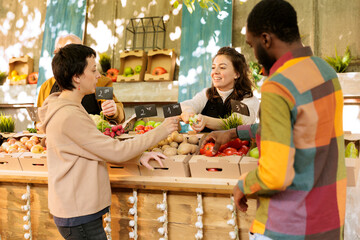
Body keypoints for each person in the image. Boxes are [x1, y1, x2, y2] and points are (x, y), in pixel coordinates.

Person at [201, 0, 346, 239]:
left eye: (252, 44)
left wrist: (243, 184)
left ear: (266, 40)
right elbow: (300, 127)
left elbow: (275, 174)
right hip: (328, 222)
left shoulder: (278, 85)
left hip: (287, 227)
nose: (253, 53)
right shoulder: (325, 72)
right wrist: (235, 133)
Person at [37, 43, 179, 240]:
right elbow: (115, 151)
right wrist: (162, 130)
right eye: (93, 70)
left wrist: (138, 155)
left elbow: (94, 148)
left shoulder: (67, 107)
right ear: (76, 77)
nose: (98, 76)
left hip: (77, 209)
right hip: (79, 214)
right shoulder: (68, 115)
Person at [37, 34, 125, 124]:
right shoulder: (46, 87)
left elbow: (114, 109)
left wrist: (113, 111)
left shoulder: (100, 82)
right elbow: (39, 119)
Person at [180, 46, 259, 132]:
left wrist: (206, 121)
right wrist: (188, 110)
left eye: (222, 67)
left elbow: (236, 123)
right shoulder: (207, 93)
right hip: (207, 145)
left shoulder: (248, 99)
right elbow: (186, 105)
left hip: (235, 145)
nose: (215, 72)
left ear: (236, 74)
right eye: (213, 67)